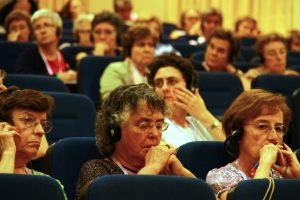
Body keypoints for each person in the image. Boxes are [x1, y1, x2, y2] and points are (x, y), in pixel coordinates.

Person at [75, 83, 195, 199]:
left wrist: (181, 173)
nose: (154, 134)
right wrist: (153, 167)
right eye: (143, 125)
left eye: (159, 126)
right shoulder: (97, 171)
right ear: (115, 131)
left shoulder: (167, 171)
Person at [206, 89, 300, 199]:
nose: (274, 137)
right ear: (236, 131)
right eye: (262, 126)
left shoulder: (285, 175)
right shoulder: (219, 177)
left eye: (278, 128)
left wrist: (297, 177)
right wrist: (264, 164)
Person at [147, 53, 225, 147]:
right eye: (158, 83)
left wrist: (204, 115)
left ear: (189, 87)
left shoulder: (200, 121)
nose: (164, 88)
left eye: (171, 81)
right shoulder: (154, 128)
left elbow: (234, 149)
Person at [14, 9, 77, 83]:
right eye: (37, 27)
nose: (42, 31)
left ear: (58, 30)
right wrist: (57, 77)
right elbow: (27, 83)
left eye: (46, 25)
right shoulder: (26, 59)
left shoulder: (69, 59)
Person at [100, 23, 157, 99]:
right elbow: (111, 102)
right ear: (129, 50)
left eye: (151, 45)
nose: (147, 50)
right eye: (141, 45)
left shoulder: (154, 75)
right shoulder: (115, 70)